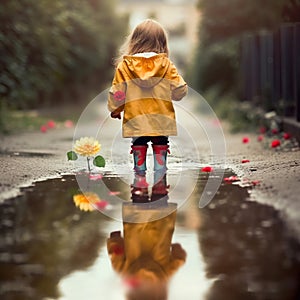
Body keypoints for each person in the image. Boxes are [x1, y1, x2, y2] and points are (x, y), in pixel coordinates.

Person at [107, 19, 187, 174]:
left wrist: (116, 109)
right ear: (162, 43)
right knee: (160, 147)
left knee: (139, 149)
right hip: (161, 120)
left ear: (135, 41)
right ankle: (160, 181)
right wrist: (172, 95)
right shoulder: (167, 65)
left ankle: (140, 183)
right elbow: (180, 88)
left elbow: (118, 92)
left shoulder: (125, 66)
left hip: (136, 122)